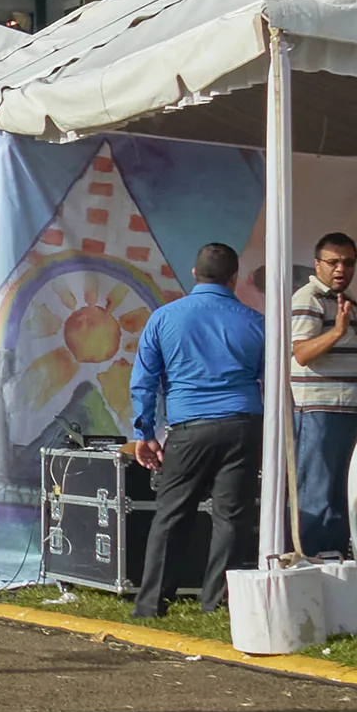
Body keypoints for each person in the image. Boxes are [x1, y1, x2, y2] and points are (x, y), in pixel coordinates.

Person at [131, 242, 264, 617]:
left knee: (172, 513)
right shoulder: (256, 321)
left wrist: (145, 433)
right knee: (231, 517)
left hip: (189, 426)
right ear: (234, 277)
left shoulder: (164, 318)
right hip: (242, 423)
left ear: (194, 273)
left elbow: (144, 381)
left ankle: (152, 603)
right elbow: (269, 378)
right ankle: (217, 604)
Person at [290, 233, 357, 556]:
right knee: (317, 494)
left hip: (350, 410)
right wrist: (336, 332)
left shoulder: (349, 301)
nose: (341, 269)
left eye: (348, 263)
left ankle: (333, 563)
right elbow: (301, 353)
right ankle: (310, 561)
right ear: (317, 264)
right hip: (319, 410)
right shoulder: (308, 298)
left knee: (340, 495)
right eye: (333, 262)